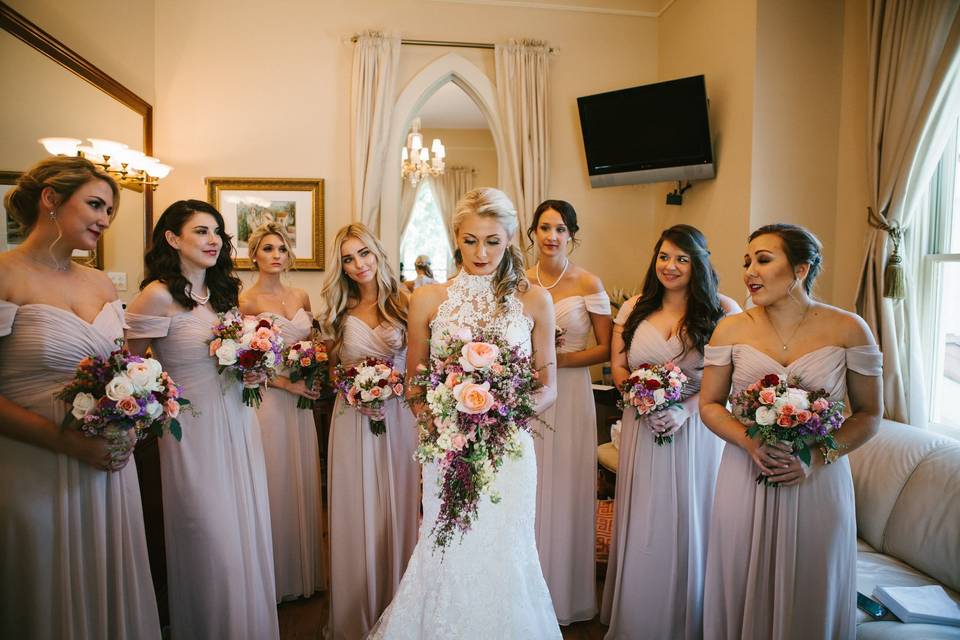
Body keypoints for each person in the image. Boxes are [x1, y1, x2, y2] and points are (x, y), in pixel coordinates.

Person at [369, 187, 561, 639]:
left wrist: (500, 417)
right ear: (456, 236)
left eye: (493, 241)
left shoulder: (535, 301)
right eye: (471, 240)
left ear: (511, 239)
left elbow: (548, 385)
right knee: (445, 545)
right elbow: (415, 383)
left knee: (507, 549)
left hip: (508, 450)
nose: (481, 252)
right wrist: (440, 420)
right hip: (447, 448)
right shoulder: (427, 299)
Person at [0, 157, 160, 639]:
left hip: (109, 468)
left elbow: (123, 369)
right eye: (95, 205)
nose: (104, 220)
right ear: (51, 199)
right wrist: (68, 443)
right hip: (36, 464)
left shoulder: (99, 283)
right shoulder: (5, 276)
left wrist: (139, 409)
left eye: (109, 210)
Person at [700, 223, 883, 639]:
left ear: (801, 269)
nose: (750, 271)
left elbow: (870, 414)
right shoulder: (731, 328)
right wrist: (749, 442)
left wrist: (814, 458)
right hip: (746, 472)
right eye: (747, 262)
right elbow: (710, 404)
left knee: (810, 581)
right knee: (741, 573)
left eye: (764, 260)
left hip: (817, 480)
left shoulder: (849, 329)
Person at [125, 200, 278, 640]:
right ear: (173, 239)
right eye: (201, 232)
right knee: (210, 534)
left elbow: (235, 356)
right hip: (192, 431)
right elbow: (130, 369)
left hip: (238, 419)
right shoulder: (156, 295)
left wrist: (253, 365)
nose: (213, 240)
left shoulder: (223, 293)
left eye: (216, 232)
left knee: (243, 527)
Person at [600, 224, 738, 639]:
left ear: (699, 262)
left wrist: (683, 411)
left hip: (697, 430)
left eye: (682, 257)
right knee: (645, 517)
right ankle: (640, 616)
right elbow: (619, 368)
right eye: (663, 256)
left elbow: (726, 383)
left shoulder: (723, 311)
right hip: (643, 428)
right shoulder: (635, 308)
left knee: (691, 515)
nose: (670, 266)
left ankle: (688, 618)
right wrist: (643, 400)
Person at [318, 223, 418, 640]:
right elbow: (332, 371)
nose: (358, 264)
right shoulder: (338, 312)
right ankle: (357, 608)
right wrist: (354, 389)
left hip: (399, 417)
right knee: (357, 506)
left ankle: (401, 607)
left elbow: (422, 364)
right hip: (352, 418)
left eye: (364, 254)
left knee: (400, 505)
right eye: (347, 258)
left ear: (378, 253)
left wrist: (393, 387)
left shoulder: (407, 303)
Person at [524, 199, 612, 625]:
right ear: (532, 234)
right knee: (531, 483)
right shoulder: (518, 282)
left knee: (568, 483)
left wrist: (557, 361)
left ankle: (567, 594)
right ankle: (526, 590)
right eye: (544, 228)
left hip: (573, 392)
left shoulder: (588, 283)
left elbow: (605, 348)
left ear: (572, 235)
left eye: (560, 228)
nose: (552, 236)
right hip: (530, 393)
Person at [239, 222, 324, 603]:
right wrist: (287, 384)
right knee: (274, 479)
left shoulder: (302, 295)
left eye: (282, 249)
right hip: (271, 400)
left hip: (302, 400)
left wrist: (313, 368)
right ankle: (273, 579)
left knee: (302, 477)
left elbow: (313, 345)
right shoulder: (247, 301)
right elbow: (245, 363)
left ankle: (303, 571)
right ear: (254, 254)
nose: (276, 256)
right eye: (268, 249)